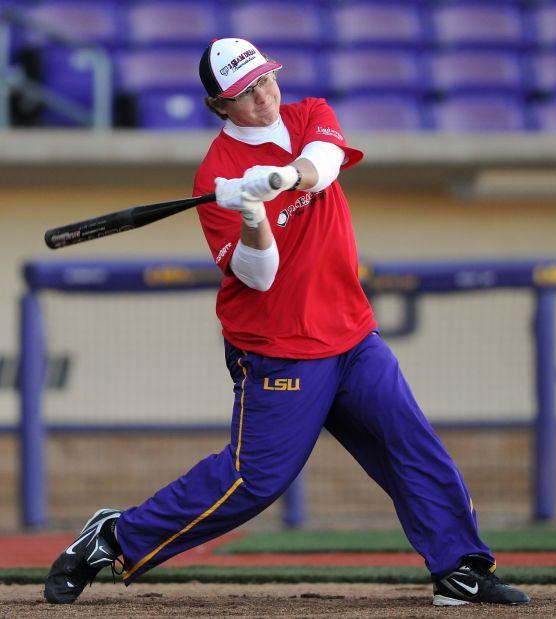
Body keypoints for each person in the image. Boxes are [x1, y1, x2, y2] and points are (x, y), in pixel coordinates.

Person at [43, 37, 530, 608]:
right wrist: (250, 215)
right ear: (219, 106)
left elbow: (322, 169)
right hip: (278, 346)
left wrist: (277, 180)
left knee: (412, 443)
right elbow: (259, 274)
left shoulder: (309, 115)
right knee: (252, 483)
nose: (263, 96)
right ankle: (114, 537)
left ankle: (459, 568)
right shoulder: (217, 170)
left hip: (351, 332)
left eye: (266, 80)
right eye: (245, 93)